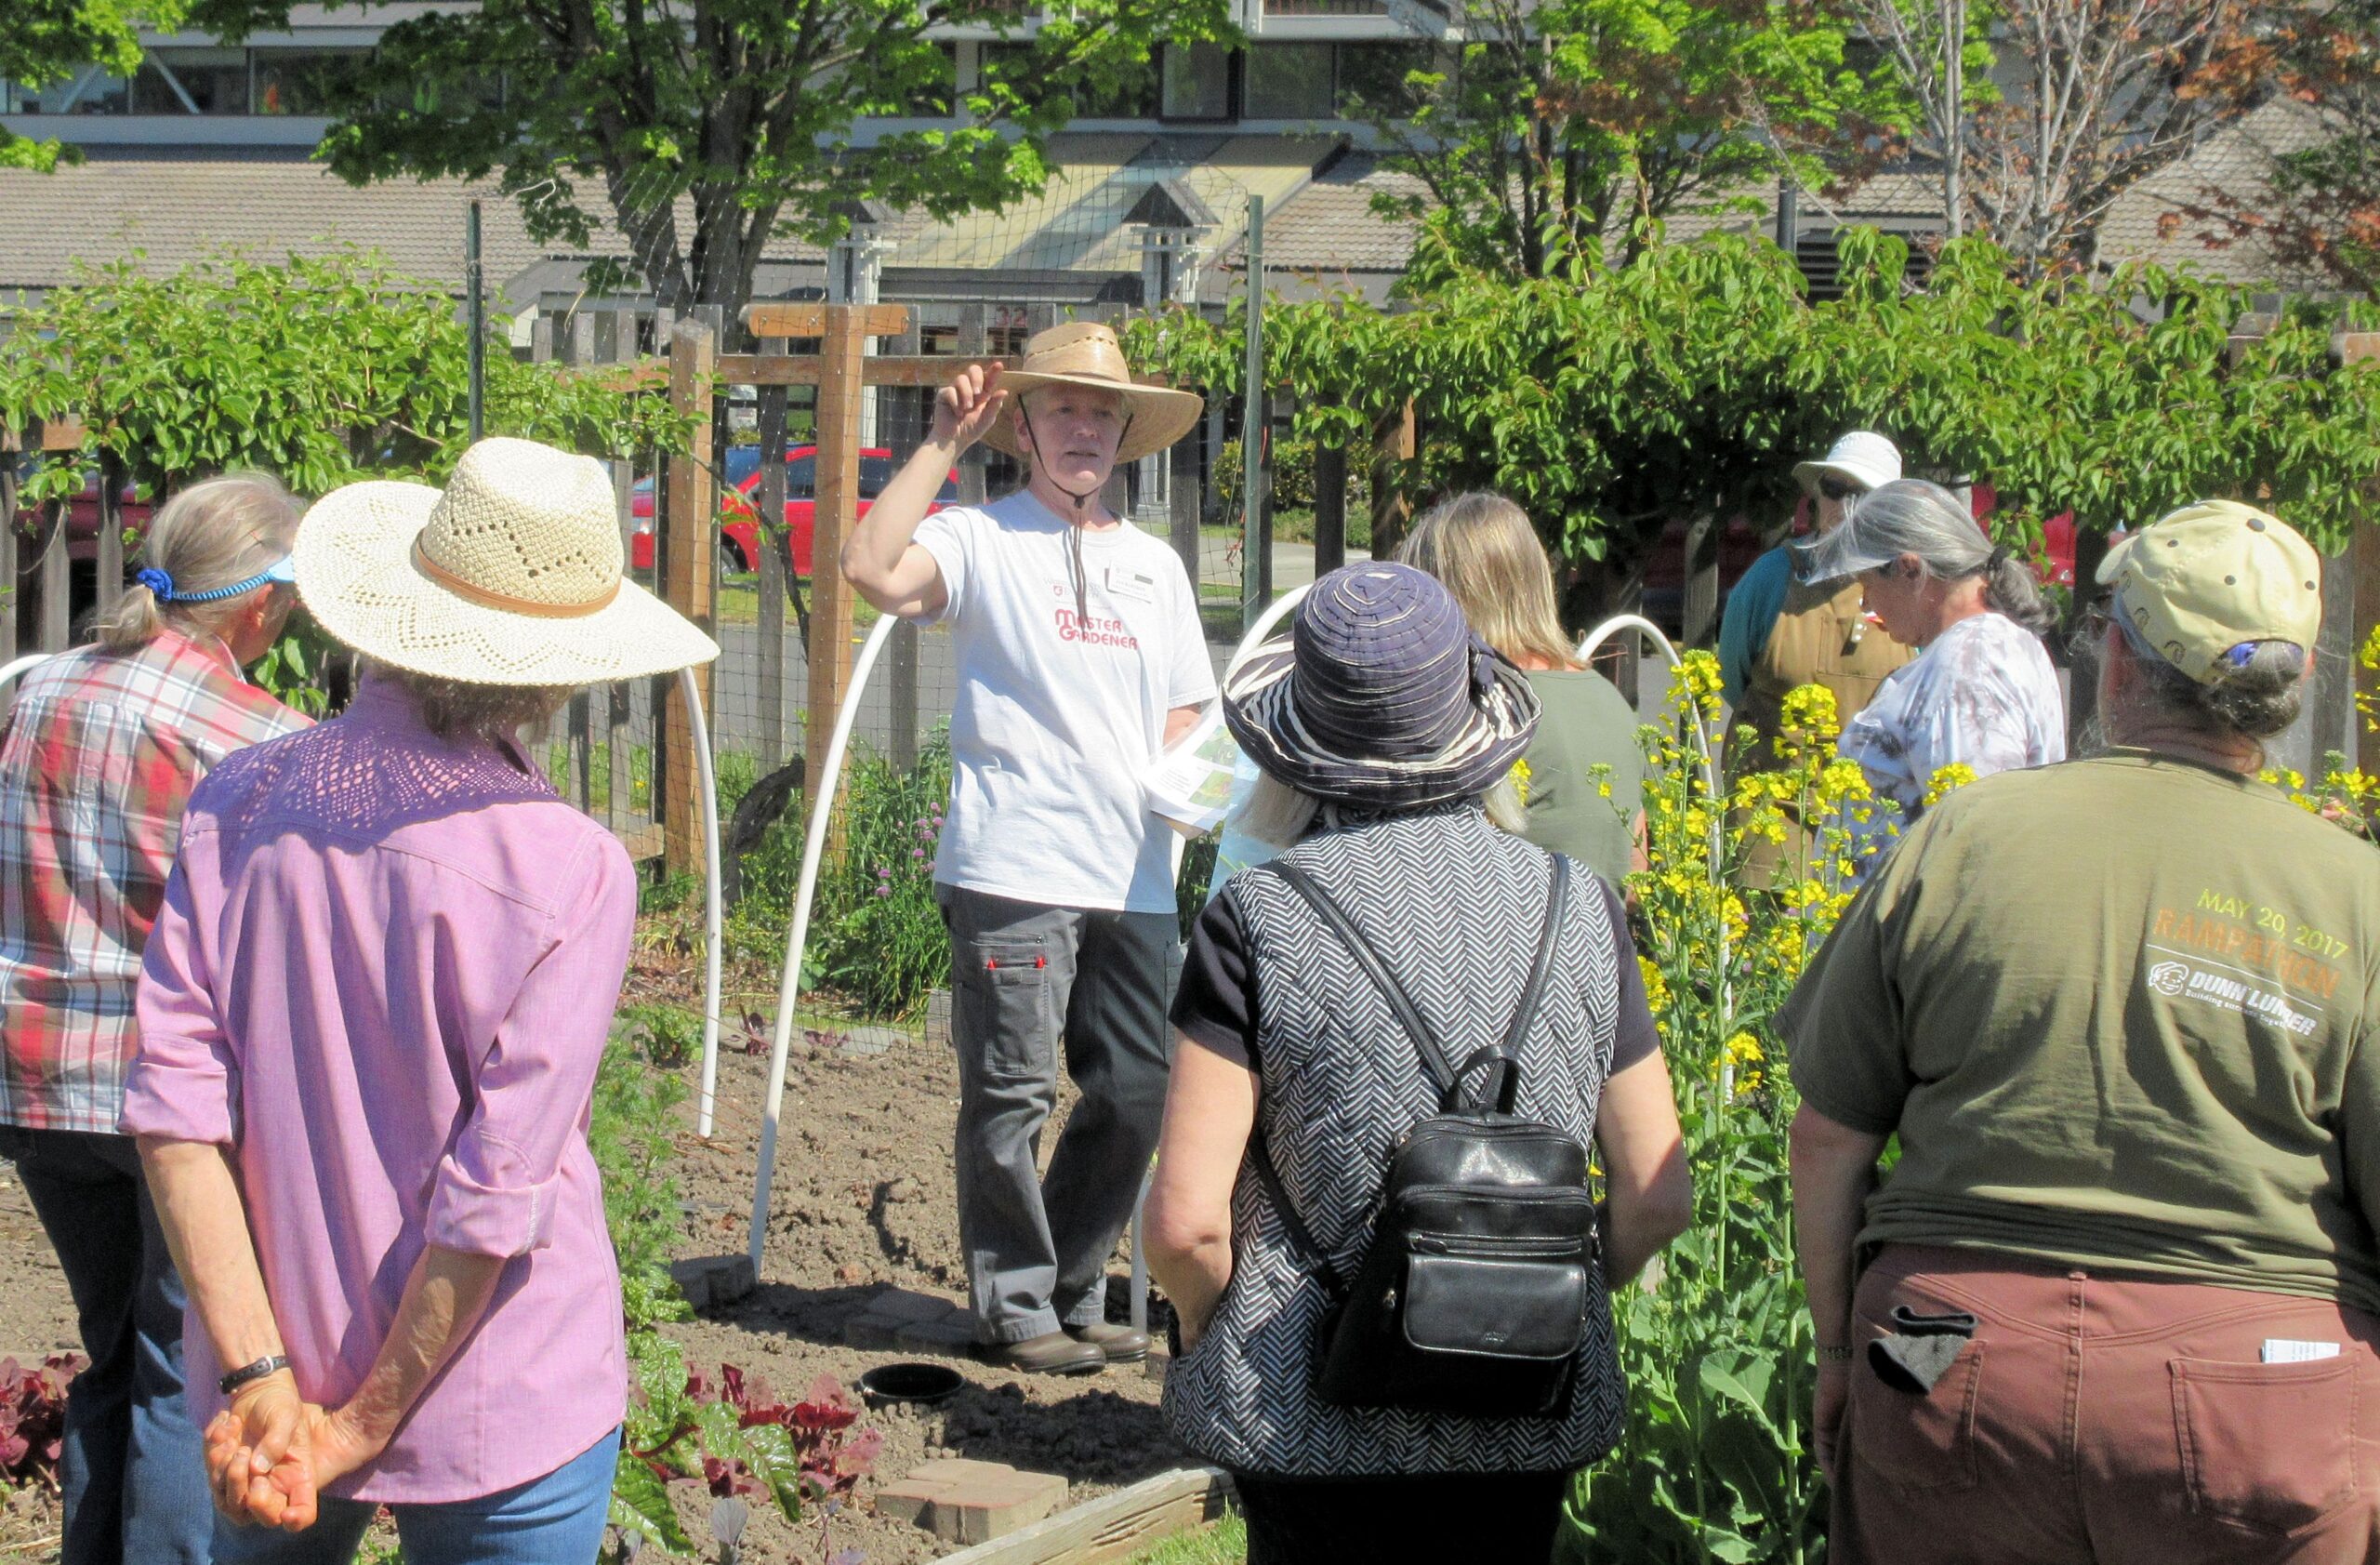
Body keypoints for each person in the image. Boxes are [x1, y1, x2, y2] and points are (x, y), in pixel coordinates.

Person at [119, 437, 719, 1562]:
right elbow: (494, 1196)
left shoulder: (236, 803)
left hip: (273, 1362)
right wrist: (355, 1428)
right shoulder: (571, 868)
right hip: (505, 1379)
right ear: (557, 672)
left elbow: (175, 1117)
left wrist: (262, 1380)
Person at [1783, 499, 2380, 1563]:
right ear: (2283, 697)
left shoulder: (1959, 838)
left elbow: (1828, 1135)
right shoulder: (2355, 892)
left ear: (2114, 663)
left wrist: (1836, 1351)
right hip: (2260, 1391)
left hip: (1948, 1366)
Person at [1144, 563, 1691, 1564]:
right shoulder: (1580, 905)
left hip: (1302, 1408)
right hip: (1525, 1403)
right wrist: (1542, 1291)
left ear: (1295, 745)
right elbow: (1658, 1196)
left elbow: (1186, 1223)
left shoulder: (1255, 921)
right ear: (1471, 730)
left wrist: (1195, 1328)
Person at [842, 323, 1214, 1375]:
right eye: (1064, 409)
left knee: (1137, 1085)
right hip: (1011, 865)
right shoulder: (977, 538)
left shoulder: (1154, 566)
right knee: (1009, 1093)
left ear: (1126, 432)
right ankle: (1013, 1306)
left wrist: (1185, 779)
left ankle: (1069, 1281)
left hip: (1135, 872)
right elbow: (870, 567)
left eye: (1103, 412)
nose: (1086, 428)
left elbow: (1188, 707)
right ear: (1025, 426)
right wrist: (937, 449)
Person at [0, 474, 311, 1565]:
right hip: (169, 1104)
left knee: (113, 1355)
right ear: (264, 604)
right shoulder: (263, 735)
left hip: (33, 1084)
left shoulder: (37, 690)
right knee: (193, 1372)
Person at [1794, 478, 2065, 855]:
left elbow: (1971, 843)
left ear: (1910, 570)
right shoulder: (1993, 645)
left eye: (1865, 583)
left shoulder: (1969, 666)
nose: (1863, 604)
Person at [1395, 492, 1646, 885]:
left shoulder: (1484, 712)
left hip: (1502, 942)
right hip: (1600, 941)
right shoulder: (1608, 699)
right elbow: (1636, 871)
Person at [1717, 431, 1913, 752]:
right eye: (1834, 489)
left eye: (1863, 494)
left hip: (1872, 797)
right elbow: (1732, 679)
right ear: (1817, 494)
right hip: (1767, 793)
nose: (1844, 505)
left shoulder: (1910, 584)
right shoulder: (1770, 577)